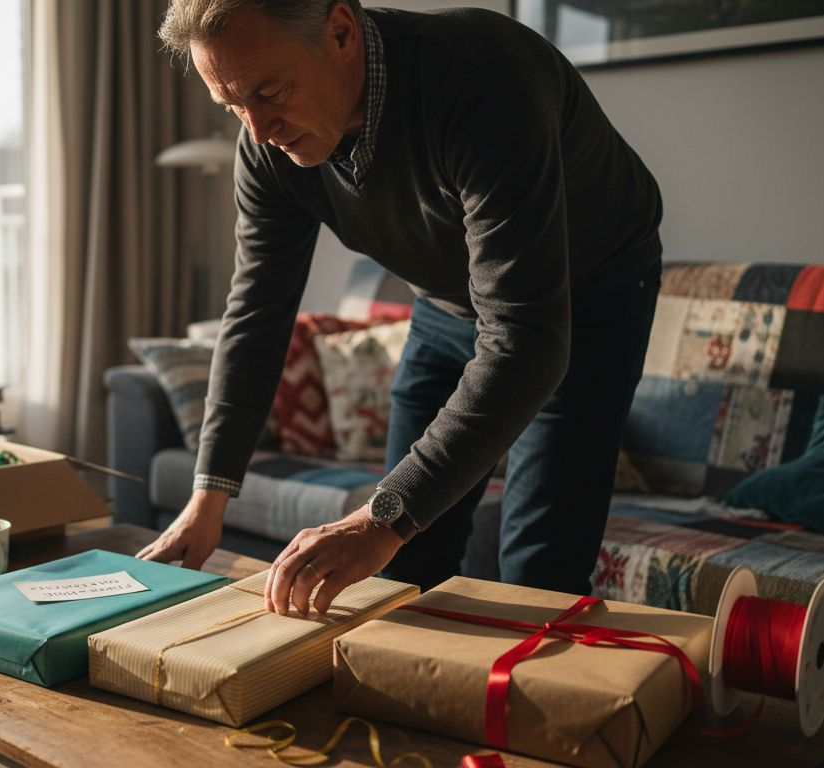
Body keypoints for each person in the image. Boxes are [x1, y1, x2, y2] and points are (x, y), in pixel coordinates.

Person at [137, 0, 663, 618]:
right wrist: (208, 499)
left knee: (536, 576)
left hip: (584, 299)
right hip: (444, 305)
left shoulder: (486, 79)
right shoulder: (266, 148)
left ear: (341, 33)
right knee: (403, 566)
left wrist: (380, 519)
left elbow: (526, 339)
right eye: (232, 105)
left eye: (270, 93)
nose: (257, 131)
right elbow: (256, 312)